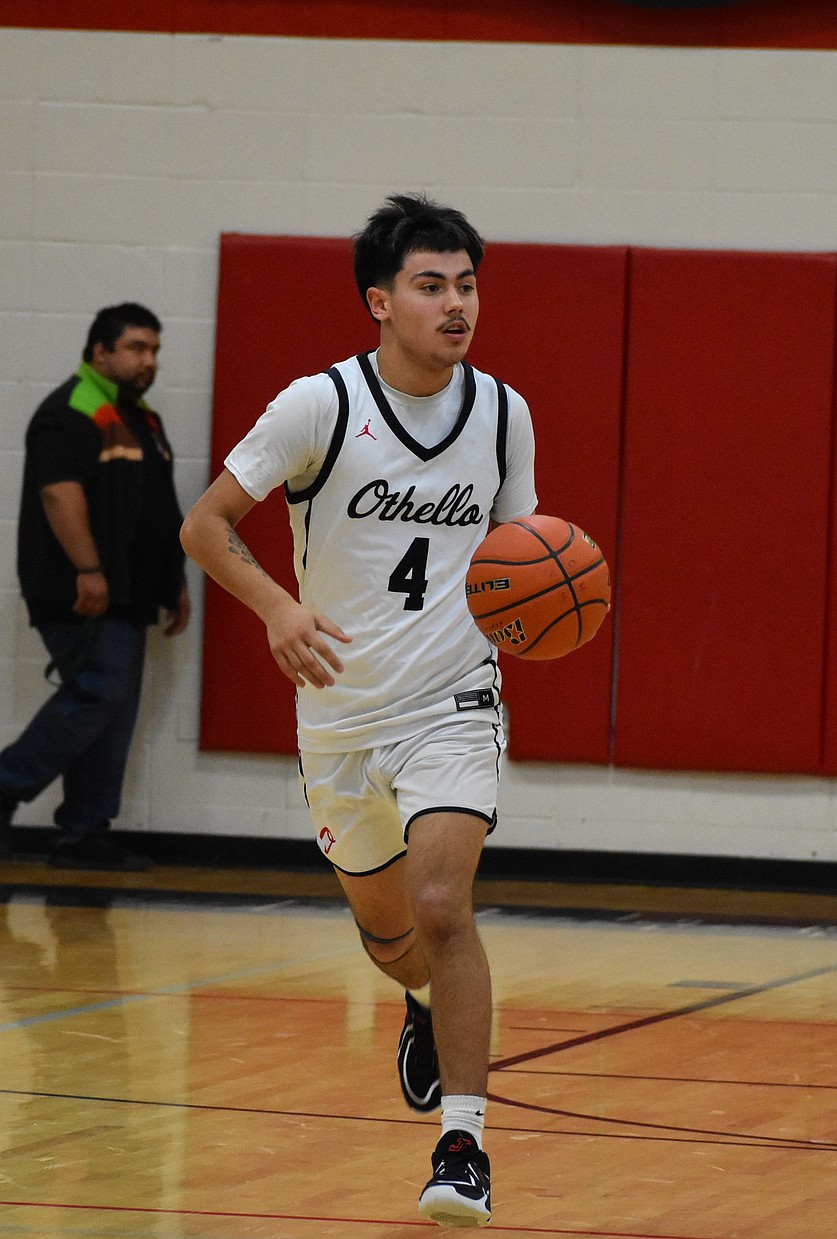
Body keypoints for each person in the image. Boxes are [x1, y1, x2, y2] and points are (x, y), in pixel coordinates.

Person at [179, 193, 538, 1229]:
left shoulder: (504, 411)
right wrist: (279, 607)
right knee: (390, 941)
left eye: (467, 283)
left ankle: (462, 1144)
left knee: (441, 907)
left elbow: (517, 562)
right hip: (337, 717)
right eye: (432, 285)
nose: (456, 303)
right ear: (380, 302)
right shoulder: (316, 407)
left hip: (453, 703)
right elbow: (206, 525)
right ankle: (420, 1005)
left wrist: (537, 616)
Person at [0, 303, 190, 872]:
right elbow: (60, 494)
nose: (148, 360)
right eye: (136, 348)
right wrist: (88, 568)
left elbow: (158, 508)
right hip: (80, 589)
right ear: (99, 351)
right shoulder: (72, 409)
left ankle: (83, 829)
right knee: (100, 691)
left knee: (115, 705)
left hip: (128, 592)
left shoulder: (139, 418)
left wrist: (172, 581)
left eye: (154, 350)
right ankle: (7, 782)